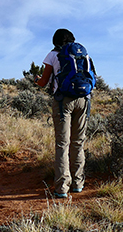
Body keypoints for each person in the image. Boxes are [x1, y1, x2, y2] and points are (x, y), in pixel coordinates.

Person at [35, 29, 93, 198]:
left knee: (62, 143)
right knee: (78, 142)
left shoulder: (53, 54)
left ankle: (61, 187)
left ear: (55, 41)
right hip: (84, 100)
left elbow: (44, 82)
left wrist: (37, 80)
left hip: (63, 101)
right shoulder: (82, 54)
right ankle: (78, 184)